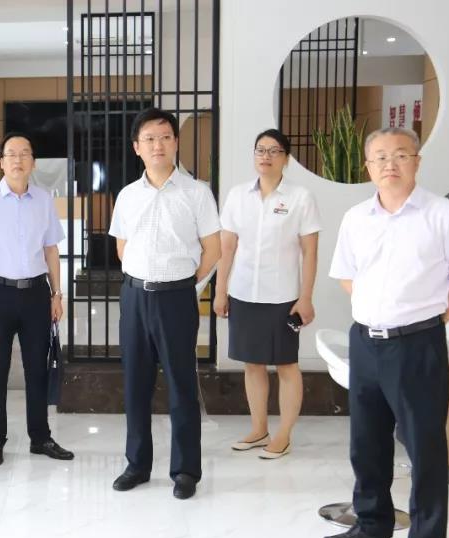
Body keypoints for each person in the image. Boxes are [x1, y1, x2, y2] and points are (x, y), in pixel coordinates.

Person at [323, 127, 449, 538]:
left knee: (425, 444)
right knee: (366, 441)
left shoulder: (444, 215)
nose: (390, 164)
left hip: (417, 343)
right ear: (368, 166)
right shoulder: (356, 218)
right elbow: (347, 276)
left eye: (401, 155)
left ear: (417, 162)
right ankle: (372, 524)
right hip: (366, 340)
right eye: (381, 157)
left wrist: (423, 322)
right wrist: (378, 314)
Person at [108, 108, 221, 500]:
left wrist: (187, 285)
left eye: (165, 137)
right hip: (135, 296)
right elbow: (122, 249)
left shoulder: (197, 192)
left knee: (181, 385)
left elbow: (213, 248)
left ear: (175, 142)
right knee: (135, 384)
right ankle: (137, 465)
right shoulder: (127, 196)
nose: (158, 144)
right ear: (137, 147)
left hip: (176, 297)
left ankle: (186, 470)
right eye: (150, 138)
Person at [0, 131, 75, 466]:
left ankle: (40, 437)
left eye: (25, 153)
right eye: (11, 154)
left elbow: (51, 249)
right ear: (1, 162)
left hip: (37, 294)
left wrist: (57, 293)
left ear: (33, 162)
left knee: (37, 369)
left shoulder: (43, 199)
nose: (18, 159)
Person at [214, 128, 321, 459]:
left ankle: (283, 435)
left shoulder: (300, 197)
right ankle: (259, 429)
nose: (266, 156)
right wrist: (220, 291)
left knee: (286, 365)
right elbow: (227, 248)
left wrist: (305, 297)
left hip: (283, 297)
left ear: (286, 159)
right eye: (260, 149)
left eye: (274, 151)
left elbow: (310, 252)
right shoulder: (237, 196)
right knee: (253, 364)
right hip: (244, 292)